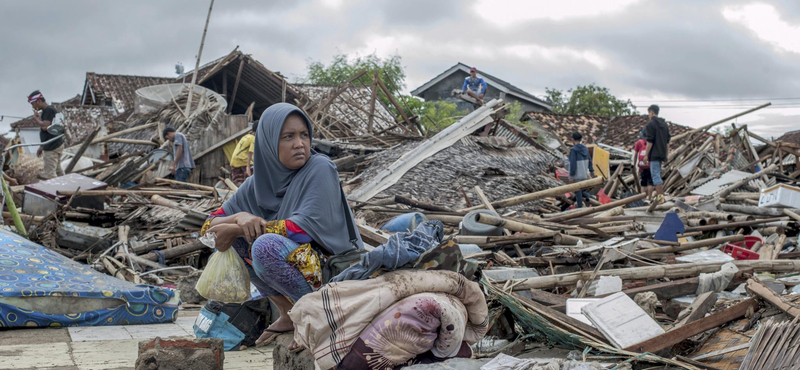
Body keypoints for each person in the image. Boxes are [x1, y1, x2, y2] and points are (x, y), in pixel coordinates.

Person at [201, 103, 363, 349]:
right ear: (268, 143)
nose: (299, 144)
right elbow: (207, 230)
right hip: (302, 266)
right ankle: (288, 313)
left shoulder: (320, 168)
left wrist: (236, 227)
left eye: (304, 135)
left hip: (335, 269)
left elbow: (301, 230)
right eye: (288, 137)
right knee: (233, 242)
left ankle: (314, 316)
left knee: (264, 246)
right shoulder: (256, 184)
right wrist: (239, 217)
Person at [28, 91, 64, 180]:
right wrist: (42, 146)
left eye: (33, 104)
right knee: (58, 171)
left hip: (52, 146)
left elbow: (45, 126)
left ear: (38, 101)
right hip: (53, 144)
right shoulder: (47, 111)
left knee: (50, 175)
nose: (33, 107)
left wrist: (36, 119)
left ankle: (56, 191)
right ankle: (66, 187)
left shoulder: (49, 110)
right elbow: (48, 129)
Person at [643, 105, 671, 204]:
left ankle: (661, 200)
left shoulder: (650, 124)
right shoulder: (664, 125)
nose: (648, 116)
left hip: (654, 154)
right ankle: (661, 199)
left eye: (648, 113)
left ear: (651, 112)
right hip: (661, 153)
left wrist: (646, 155)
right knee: (657, 176)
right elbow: (667, 142)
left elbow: (650, 141)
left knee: (655, 177)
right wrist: (666, 154)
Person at [568, 131, 595, 208]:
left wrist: (572, 175)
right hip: (584, 174)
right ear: (581, 139)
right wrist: (592, 171)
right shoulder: (585, 148)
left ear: (573, 139)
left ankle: (580, 207)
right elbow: (590, 160)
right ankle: (593, 198)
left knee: (577, 191)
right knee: (580, 190)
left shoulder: (573, 150)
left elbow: (572, 164)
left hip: (577, 174)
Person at [230, 121, 257, 186]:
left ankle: (239, 191)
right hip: (243, 161)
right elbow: (250, 152)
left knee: (238, 180)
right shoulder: (253, 139)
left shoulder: (246, 136)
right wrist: (248, 167)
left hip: (234, 161)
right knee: (254, 177)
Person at [633, 130, 654, 202]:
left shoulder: (638, 143)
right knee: (650, 183)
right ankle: (649, 198)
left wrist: (634, 164)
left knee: (643, 183)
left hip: (642, 166)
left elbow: (635, 155)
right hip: (650, 165)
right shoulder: (651, 142)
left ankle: (642, 199)